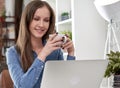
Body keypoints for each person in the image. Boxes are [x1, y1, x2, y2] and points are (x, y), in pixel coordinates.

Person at [6, 0, 75, 88]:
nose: (42, 25)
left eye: (46, 20)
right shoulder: (12, 53)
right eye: (36, 19)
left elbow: (65, 82)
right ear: (27, 21)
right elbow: (22, 86)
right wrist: (43, 54)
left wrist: (71, 53)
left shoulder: (55, 51)